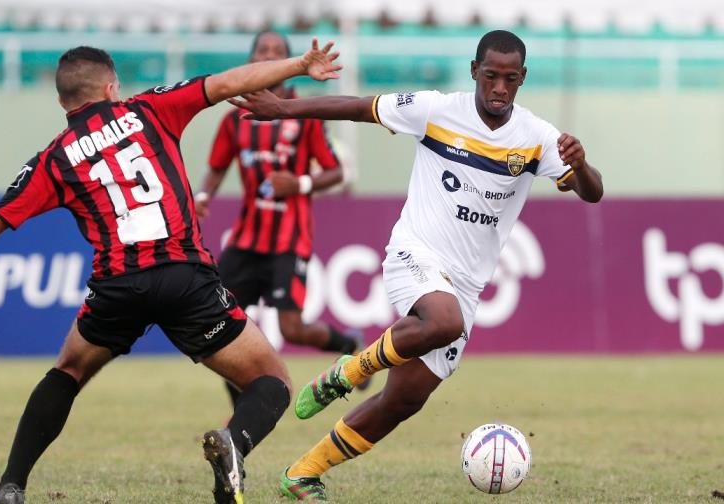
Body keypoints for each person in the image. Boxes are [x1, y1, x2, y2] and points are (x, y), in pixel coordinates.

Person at [0, 40, 342, 504]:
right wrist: (298, 64)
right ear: (112, 86)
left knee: (68, 371)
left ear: (61, 101)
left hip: (117, 287)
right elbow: (226, 83)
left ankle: (10, 486)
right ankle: (234, 443)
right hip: (184, 278)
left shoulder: (55, 158)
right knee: (272, 379)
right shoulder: (152, 109)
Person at [229, 30, 604, 501]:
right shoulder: (436, 110)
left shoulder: (537, 138)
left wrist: (583, 165)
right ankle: (349, 372)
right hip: (416, 254)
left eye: (510, 79)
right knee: (442, 321)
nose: (499, 88)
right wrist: (283, 108)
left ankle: (301, 475)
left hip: (467, 284)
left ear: (523, 78)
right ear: (474, 71)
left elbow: (592, 192)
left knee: (403, 400)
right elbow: (357, 106)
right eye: (490, 76)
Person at [195, 31, 363, 408]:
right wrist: (204, 195)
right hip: (245, 240)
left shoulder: (305, 115)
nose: (269, 58)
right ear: (252, 60)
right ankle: (241, 413)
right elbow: (217, 167)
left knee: (292, 329)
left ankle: (347, 345)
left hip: (290, 238)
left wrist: (300, 182)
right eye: (262, 52)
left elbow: (337, 172)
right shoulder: (234, 118)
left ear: (291, 64)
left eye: (277, 53)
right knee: (218, 326)